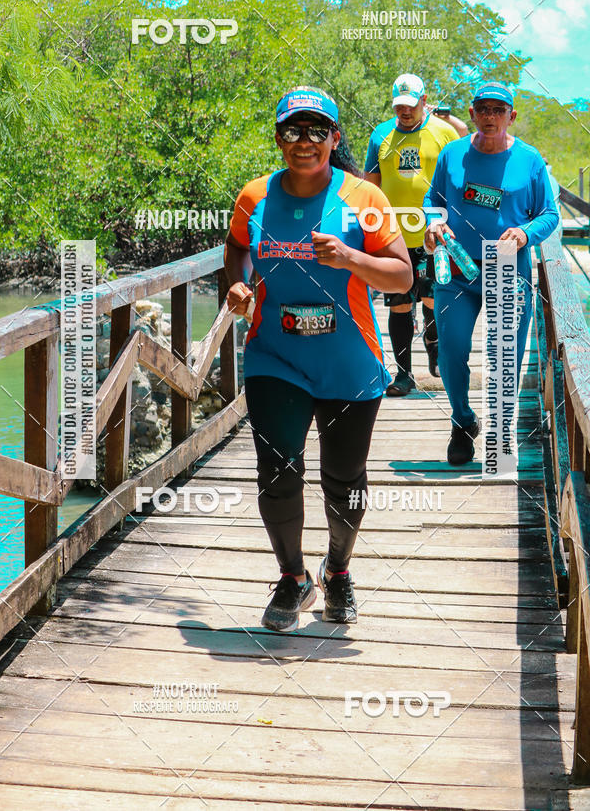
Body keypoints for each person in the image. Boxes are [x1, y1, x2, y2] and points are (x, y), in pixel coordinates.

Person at [224, 86, 411, 632]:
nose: (302, 142)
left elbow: (403, 276)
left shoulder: (366, 201)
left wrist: (352, 256)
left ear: (333, 137)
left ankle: (339, 570)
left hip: (348, 361)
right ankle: (292, 578)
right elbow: (237, 247)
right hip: (274, 355)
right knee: (277, 470)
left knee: (345, 478)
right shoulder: (254, 197)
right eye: (291, 131)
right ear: (279, 137)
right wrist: (236, 286)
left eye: (314, 131)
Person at [423, 82, 560, 465]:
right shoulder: (452, 155)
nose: (489, 116)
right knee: (451, 353)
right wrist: (434, 223)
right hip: (455, 267)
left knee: (505, 360)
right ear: (471, 113)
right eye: (482, 108)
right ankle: (463, 421)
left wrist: (525, 232)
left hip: (506, 269)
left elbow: (549, 214)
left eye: (498, 110)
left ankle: (500, 431)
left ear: (511, 116)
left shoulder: (530, 160)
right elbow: (433, 200)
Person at [364, 73, 469, 396]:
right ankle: (404, 374)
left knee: (431, 298)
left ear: (424, 101)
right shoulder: (381, 134)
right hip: (394, 235)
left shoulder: (443, 132)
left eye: (410, 105)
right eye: (399, 106)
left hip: (434, 232)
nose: (404, 112)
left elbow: (461, 177)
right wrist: (366, 229)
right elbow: (370, 184)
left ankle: (433, 343)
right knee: (399, 305)